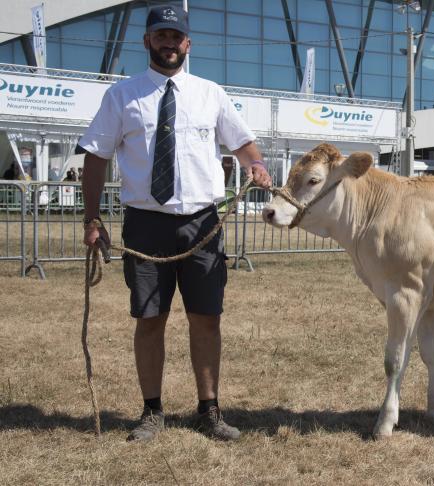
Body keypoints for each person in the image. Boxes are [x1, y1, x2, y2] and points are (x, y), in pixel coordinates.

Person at [79, 6, 272, 443]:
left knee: (206, 318)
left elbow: (243, 142)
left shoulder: (211, 94)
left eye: (176, 36)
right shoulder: (121, 96)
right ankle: (151, 411)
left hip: (202, 225)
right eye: (160, 35)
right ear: (147, 41)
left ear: (188, 44)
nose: (169, 43)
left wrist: (256, 164)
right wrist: (92, 219)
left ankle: (209, 409)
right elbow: (95, 157)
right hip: (146, 226)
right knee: (150, 319)